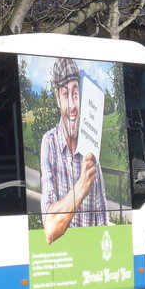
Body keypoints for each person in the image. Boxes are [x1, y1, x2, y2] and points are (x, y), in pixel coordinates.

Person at [40, 57, 106, 245]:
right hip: (63, 257)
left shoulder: (90, 151)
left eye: (75, 94)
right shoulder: (49, 143)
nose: (72, 106)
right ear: (57, 98)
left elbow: (102, 222)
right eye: (65, 94)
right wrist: (82, 187)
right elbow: (50, 229)